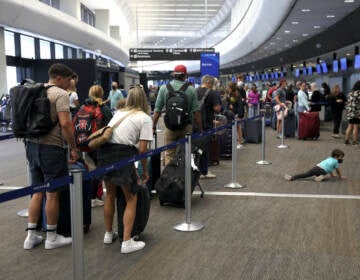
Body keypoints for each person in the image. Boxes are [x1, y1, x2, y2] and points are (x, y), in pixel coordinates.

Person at [23, 63, 80, 250]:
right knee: (52, 193)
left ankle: (31, 236)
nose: (68, 85)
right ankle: (52, 237)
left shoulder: (35, 90)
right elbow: (66, 125)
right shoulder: (60, 94)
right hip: (51, 148)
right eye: (68, 80)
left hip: (31, 145)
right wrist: (73, 147)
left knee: (37, 191)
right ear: (59, 78)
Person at [97, 85, 153, 253]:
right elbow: (142, 150)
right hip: (123, 154)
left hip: (105, 152)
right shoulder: (145, 118)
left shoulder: (119, 113)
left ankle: (108, 234)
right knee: (131, 197)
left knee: (111, 194)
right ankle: (127, 241)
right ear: (144, 99)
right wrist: (145, 172)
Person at [152, 64, 203, 165]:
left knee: (169, 153)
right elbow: (196, 112)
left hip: (170, 127)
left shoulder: (163, 88)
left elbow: (157, 110)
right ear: (185, 75)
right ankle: (183, 178)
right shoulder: (191, 89)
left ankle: (169, 178)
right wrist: (200, 128)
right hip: (186, 127)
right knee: (184, 153)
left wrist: (153, 126)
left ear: (174, 75)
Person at [81, 85, 113, 208]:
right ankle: (93, 197)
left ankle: (91, 196)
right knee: (98, 171)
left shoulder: (84, 107)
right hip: (100, 144)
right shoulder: (104, 109)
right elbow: (111, 126)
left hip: (86, 142)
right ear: (101, 94)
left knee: (92, 170)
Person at [195, 75, 221, 179]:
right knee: (205, 148)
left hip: (195, 124)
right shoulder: (212, 93)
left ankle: (195, 168)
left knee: (196, 147)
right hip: (207, 124)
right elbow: (217, 108)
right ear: (209, 83)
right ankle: (204, 171)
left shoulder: (195, 91)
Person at [227, 82, 245, 148]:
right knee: (236, 128)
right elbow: (231, 103)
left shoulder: (237, 95)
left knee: (238, 128)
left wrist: (239, 115)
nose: (228, 89)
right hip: (233, 113)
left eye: (229, 88)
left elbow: (240, 105)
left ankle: (240, 143)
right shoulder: (230, 94)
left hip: (237, 114)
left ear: (231, 88)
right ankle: (237, 142)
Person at [344, 81, 360, 145]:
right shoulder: (358, 93)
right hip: (356, 112)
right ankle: (354, 141)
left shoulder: (350, 93)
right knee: (356, 127)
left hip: (350, 112)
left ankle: (346, 140)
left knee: (350, 126)